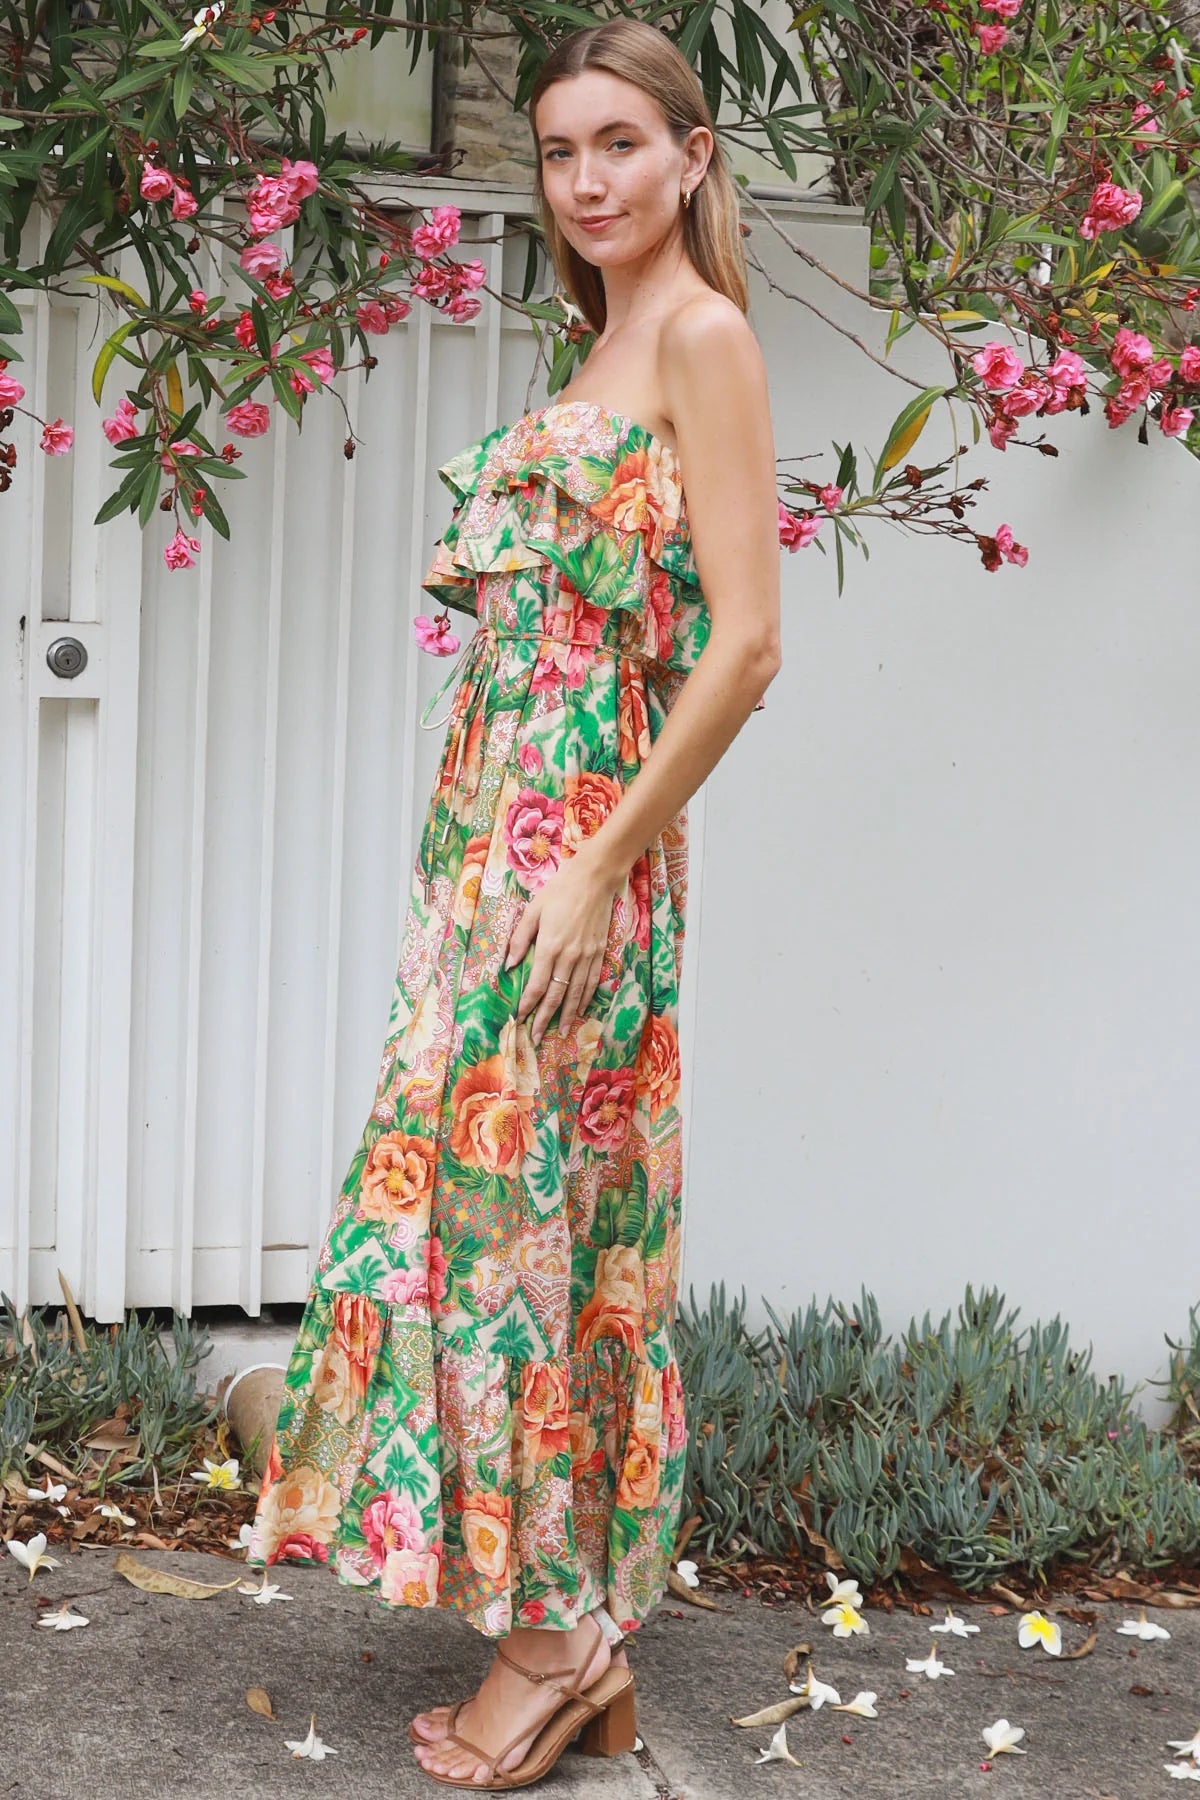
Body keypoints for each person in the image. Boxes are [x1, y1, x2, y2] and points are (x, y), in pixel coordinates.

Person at [245, 14, 781, 1790]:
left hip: (577, 865)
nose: (587, 180)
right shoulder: (598, 337)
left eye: (619, 142)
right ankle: (568, 1630)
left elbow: (751, 644)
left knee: (517, 1215)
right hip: (492, 852)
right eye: (559, 152)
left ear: (693, 153)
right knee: (483, 1212)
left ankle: (561, 1644)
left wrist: (599, 865)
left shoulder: (700, 336)